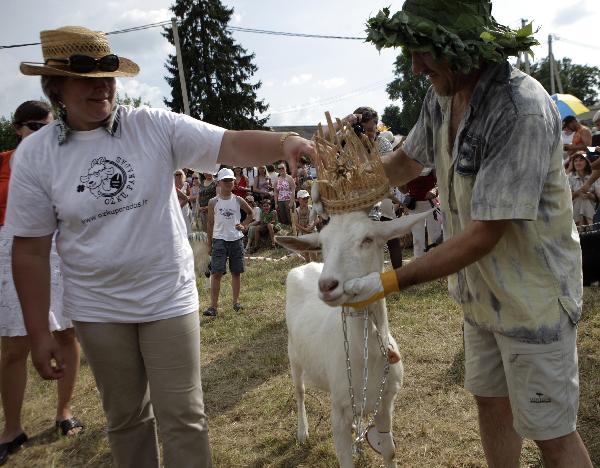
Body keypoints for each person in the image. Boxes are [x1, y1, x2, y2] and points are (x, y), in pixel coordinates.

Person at [6, 26, 313, 468]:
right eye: (86, 79)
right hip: (97, 309)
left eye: (107, 75)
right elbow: (31, 251)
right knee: (126, 420)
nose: (102, 87)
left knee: (184, 418)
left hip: (167, 297)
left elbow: (228, 141)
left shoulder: (151, 125)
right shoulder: (35, 155)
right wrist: (38, 333)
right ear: (55, 86)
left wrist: (285, 142)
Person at [346, 2, 592, 466]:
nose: (416, 66)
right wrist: (345, 189)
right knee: (491, 401)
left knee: (551, 434)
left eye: (424, 52)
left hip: (532, 300)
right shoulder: (441, 94)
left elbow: (485, 233)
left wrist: (387, 282)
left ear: (458, 46)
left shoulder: (519, 107)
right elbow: (405, 162)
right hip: (481, 296)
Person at [0, 101, 83, 466]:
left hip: (56, 248)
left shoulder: (62, 161)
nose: (39, 132)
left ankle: (64, 410)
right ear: (18, 128)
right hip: (12, 251)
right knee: (13, 345)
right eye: (32, 126)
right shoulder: (3, 163)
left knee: (66, 333)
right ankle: (12, 427)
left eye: (46, 125)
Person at [203, 168, 254, 318]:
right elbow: (210, 223)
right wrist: (209, 243)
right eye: (225, 180)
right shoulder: (213, 202)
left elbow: (251, 213)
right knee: (216, 273)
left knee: (236, 272)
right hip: (219, 240)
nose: (229, 183)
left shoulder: (238, 200)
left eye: (231, 180)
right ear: (219, 182)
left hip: (236, 239)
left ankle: (236, 302)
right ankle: (213, 307)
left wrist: (244, 226)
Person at [406, 168, 443, 257]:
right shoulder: (406, 163)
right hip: (414, 206)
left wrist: (435, 190)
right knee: (418, 240)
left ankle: (438, 261)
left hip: (430, 204)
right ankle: (420, 265)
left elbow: (439, 180)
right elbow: (402, 188)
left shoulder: (429, 161)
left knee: (435, 235)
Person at [567, 153, 598, 227]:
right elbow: (567, 198)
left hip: (592, 205)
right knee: (580, 199)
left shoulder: (594, 175)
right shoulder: (569, 177)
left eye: (581, 160)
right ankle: (590, 226)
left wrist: (590, 195)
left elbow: (597, 197)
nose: (578, 163)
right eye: (575, 161)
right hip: (574, 205)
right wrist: (578, 193)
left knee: (585, 200)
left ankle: (580, 228)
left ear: (587, 162)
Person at [274, 162, 295, 226]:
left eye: (282, 168)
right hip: (280, 200)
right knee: (282, 217)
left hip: (288, 199)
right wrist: (276, 203)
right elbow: (275, 192)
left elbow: (293, 189)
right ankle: (286, 230)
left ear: (285, 168)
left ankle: (293, 230)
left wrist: (291, 201)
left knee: (290, 216)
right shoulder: (277, 179)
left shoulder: (290, 178)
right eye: (279, 168)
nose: (281, 170)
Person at [175, 169, 193, 235]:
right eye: (177, 174)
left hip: (185, 207)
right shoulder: (172, 185)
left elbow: (189, 196)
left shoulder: (186, 184)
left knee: (186, 223)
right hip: (176, 207)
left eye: (180, 174)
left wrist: (186, 198)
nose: (179, 176)